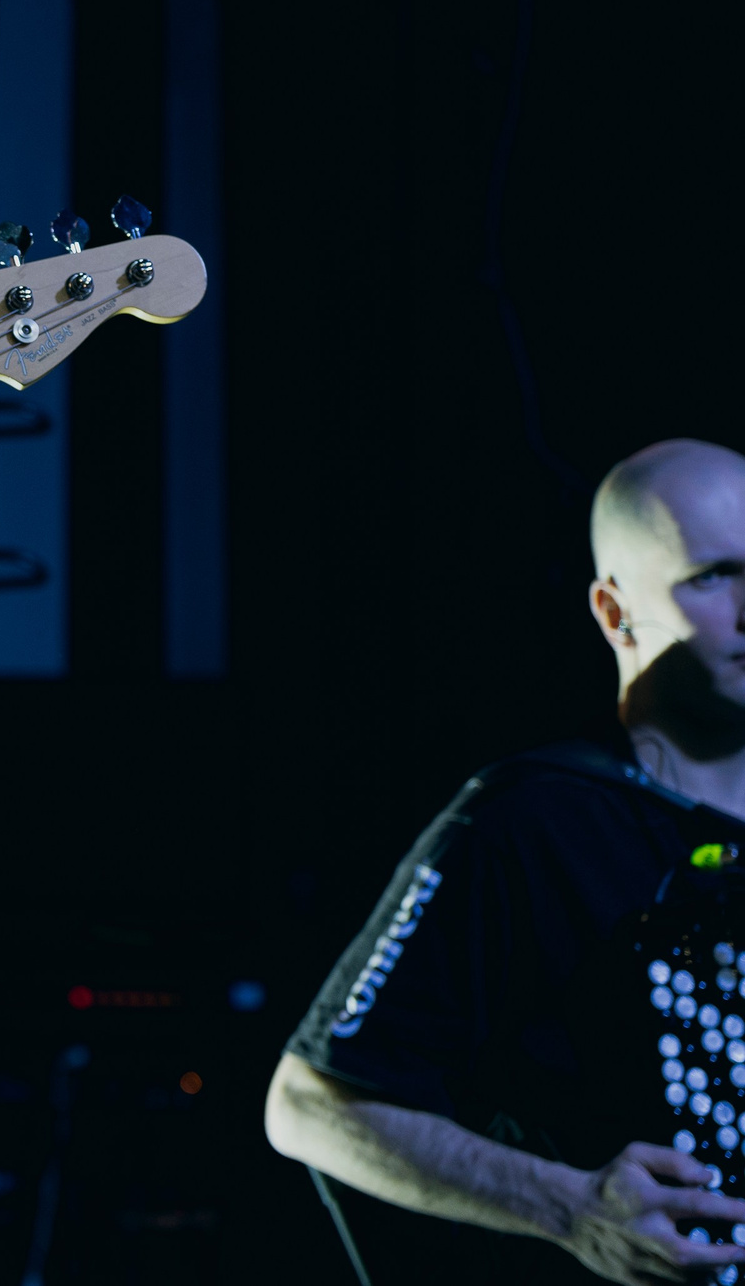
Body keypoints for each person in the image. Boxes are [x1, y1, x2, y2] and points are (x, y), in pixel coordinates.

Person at [266, 439, 745, 1284]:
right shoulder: (531, 820)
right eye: (713, 577)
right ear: (615, 612)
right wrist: (570, 1207)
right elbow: (307, 1104)